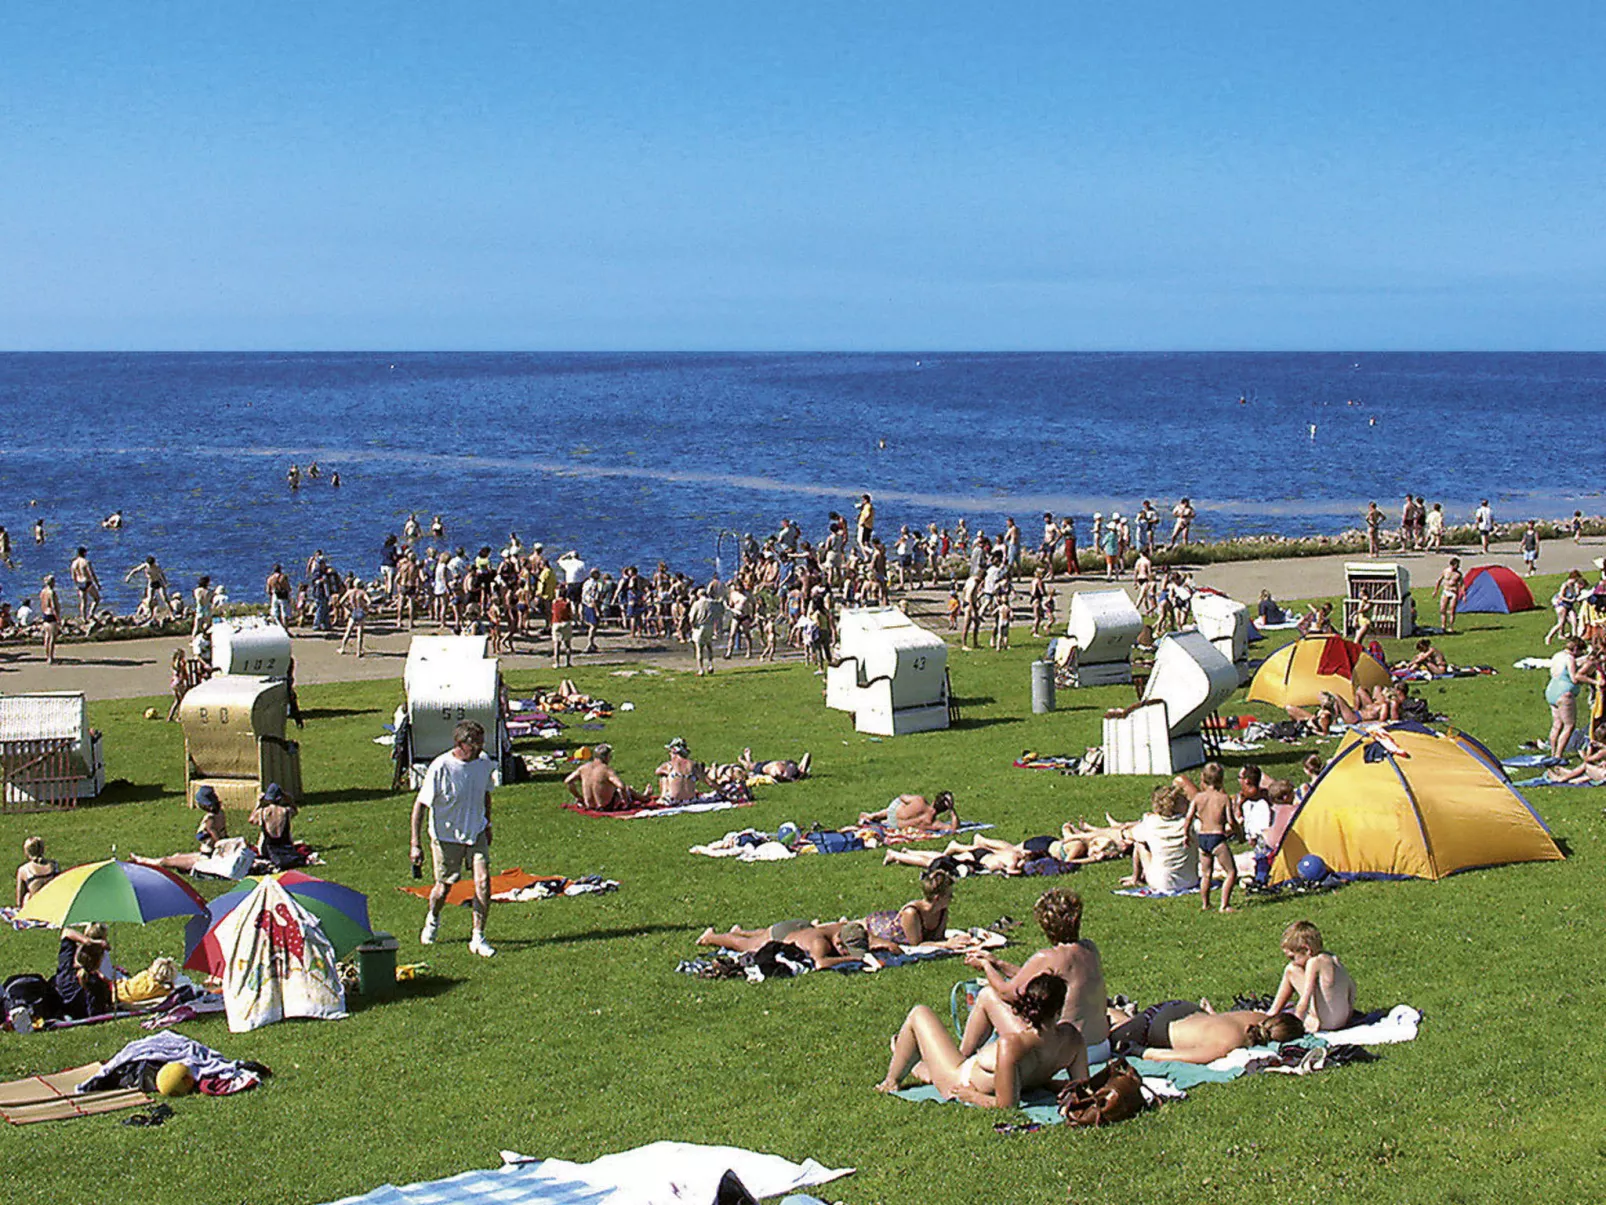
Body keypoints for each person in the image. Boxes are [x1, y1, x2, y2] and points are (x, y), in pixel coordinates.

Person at [875, 974, 1088, 1108]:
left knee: (918, 1014)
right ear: (1058, 1011)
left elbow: (1006, 1106)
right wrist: (1051, 1084)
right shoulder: (1073, 1039)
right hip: (987, 1075)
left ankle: (890, 1082)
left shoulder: (1014, 1045)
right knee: (929, 1064)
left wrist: (972, 1096)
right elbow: (1083, 1087)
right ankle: (913, 1059)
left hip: (959, 1079)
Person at [962, 888, 1111, 1062]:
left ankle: (960, 1060)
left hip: (1065, 1052)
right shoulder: (1090, 949)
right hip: (1100, 1047)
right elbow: (1033, 980)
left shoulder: (1048, 957)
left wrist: (986, 966)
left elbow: (1006, 993)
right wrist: (998, 963)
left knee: (987, 995)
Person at [410, 720, 496, 957]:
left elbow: (485, 794)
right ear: (460, 744)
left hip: (475, 831)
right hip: (446, 836)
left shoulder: (484, 762)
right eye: (475, 744)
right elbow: (420, 806)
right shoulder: (441, 767)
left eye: (481, 742)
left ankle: (478, 937)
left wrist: (487, 823)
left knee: (483, 881)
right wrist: (415, 844)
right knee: (444, 887)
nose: (480, 747)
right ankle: (433, 918)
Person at [1109, 1000, 1302, 1064]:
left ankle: (1120, 1012)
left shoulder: (1256, 1017)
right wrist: (1140, 1052)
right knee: (1108, 1039)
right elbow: (1181, 1056)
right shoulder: (1227, 1045)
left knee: (1124, 1026)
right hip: (1158, 1026)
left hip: (1184, 1008)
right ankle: (1109, 1009)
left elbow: (1222, 1019)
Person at [696, 918, 897, 969]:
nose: (843, 952)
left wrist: (888, 947)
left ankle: (741, 931)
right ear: (838, 941)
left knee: (762, 934)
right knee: (749, 946)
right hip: (783, 935)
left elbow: (879, 941)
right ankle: (711, 937)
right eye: (844, 949)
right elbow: (820, 963)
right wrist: (854, 959)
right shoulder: (821, 944)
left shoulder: (848, 929)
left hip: (798, 927)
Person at [1269, 920, 1357, 1034]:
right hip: (1343, 1020)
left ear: (1307, 950)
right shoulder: (1333, 959)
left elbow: (1304, 1000)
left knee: (1291, 970)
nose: (1294, 962)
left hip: (1326, 1023)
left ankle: (1271, 1013)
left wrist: (1296, 1024)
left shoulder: (1313, 963)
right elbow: (1352, 988)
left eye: (1293, 957)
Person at [1174, 763, 1240, 913]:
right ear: (1222, 780)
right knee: (1231, 872)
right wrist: (1238, 831)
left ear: (1202, 778)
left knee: (1206, 873)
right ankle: (1224, 905)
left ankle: (1205, 904)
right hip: (1217, 837)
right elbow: (1230, 820)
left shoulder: (1198, 798)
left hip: (1202, 838)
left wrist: (1185, 834)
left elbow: (1189, 818)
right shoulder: (1223, 798)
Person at [1122, 783, 1198, 893]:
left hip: (1160, 883)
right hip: (1190, 881)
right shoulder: (1191, 824)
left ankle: (1135, 878)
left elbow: (1131, 834)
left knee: (1139, 843)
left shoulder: (1151, 822)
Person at [563, 744, 648, 812]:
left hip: (589, 805)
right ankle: (644, 797)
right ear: (606, 757)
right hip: (606, 806)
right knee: (628, 789)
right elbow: (621, 786)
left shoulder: (583, 768)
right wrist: (626, 803)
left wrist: (578, 796)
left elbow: (568, 781)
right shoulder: (606, 770)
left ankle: (644, 796)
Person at [54, 923, 113, 1020]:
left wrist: (88, 941)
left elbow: (66, 932)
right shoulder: (96, 986)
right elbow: (96, 1013)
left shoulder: (66, 967)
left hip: (57, 1005)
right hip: (76, 1012)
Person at [1546, 637, 1591, 760]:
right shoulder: (1569, 659)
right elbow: (1574, 678)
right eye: (1581, 651)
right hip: (1564, 693)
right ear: (1575, 649)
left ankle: (1553, 752)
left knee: (1556, 725)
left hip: (1552, 690)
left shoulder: (1558, 655)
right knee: (1569, 725)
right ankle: (1558, 755)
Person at [249, 783, 305, 871]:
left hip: (266, 850)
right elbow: (295, 810)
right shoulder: (286, 811)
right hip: (285, 846)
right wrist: (289, 799)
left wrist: (258, 803)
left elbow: (251, 820)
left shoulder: (262, 812)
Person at [859, 790, 958, 834]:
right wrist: (952, 811)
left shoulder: (920, 801)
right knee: (902, 813)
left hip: (893, 813)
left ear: (934, 800)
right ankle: (882, 822)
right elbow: (953, 828)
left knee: (901, 804)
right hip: (896, 826)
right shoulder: (934, 824)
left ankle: (874, 816)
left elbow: (902, 797)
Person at [656, 737, 703, 803]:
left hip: (673, 800)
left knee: (663, 777)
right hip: (691, 800)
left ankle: (662, 797)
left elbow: (657, 771)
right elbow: (705, 779)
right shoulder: (693, 764)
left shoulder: (669, 765)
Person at [15, 836, 59, 906]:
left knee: (27, 897)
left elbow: (19, 900)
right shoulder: (54, 866)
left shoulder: (24, 870)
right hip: (53, 904)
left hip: (36, 908)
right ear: (42, 849)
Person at [1547, 570, 1586, 645]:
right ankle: (1549, 636)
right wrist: (1570, 600)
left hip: (1569, 605)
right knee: (1561, 623)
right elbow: (1561, 596)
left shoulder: (1574, 586)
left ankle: (1575, 638)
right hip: (1562, 604)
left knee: (1574, 621)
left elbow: (1576, 596)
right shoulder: (1565, 585)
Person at [338, 576, 370, 657]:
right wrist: (365, 608)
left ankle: (342, 648)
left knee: (348, 631)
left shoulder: (349, 592)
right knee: (360, 633)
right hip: (360, 611)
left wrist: (347, 608)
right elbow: (369, 602)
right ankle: (359, 651)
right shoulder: (362, 592)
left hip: (353, 611)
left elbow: (341, 601)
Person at [69, 547, 102, 624]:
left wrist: (76, 584)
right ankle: (91, 613)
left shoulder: (74, 563)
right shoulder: (86, 562)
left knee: (83, 602)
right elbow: (91, 574)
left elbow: (73, 576)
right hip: (87, 582)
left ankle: (83, 618)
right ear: (84, 553)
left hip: (80, 583)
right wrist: (97, 584)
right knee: (96, 598)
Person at [37, 575, 62, 665]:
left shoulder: (43, 591)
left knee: (47, 636)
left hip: (45, 614)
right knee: (52, 637)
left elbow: (42, 603)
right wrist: (58, 617)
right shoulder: (52, 592)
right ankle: (50, 658)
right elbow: (54, 606)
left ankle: (47, 655)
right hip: (51, 615)